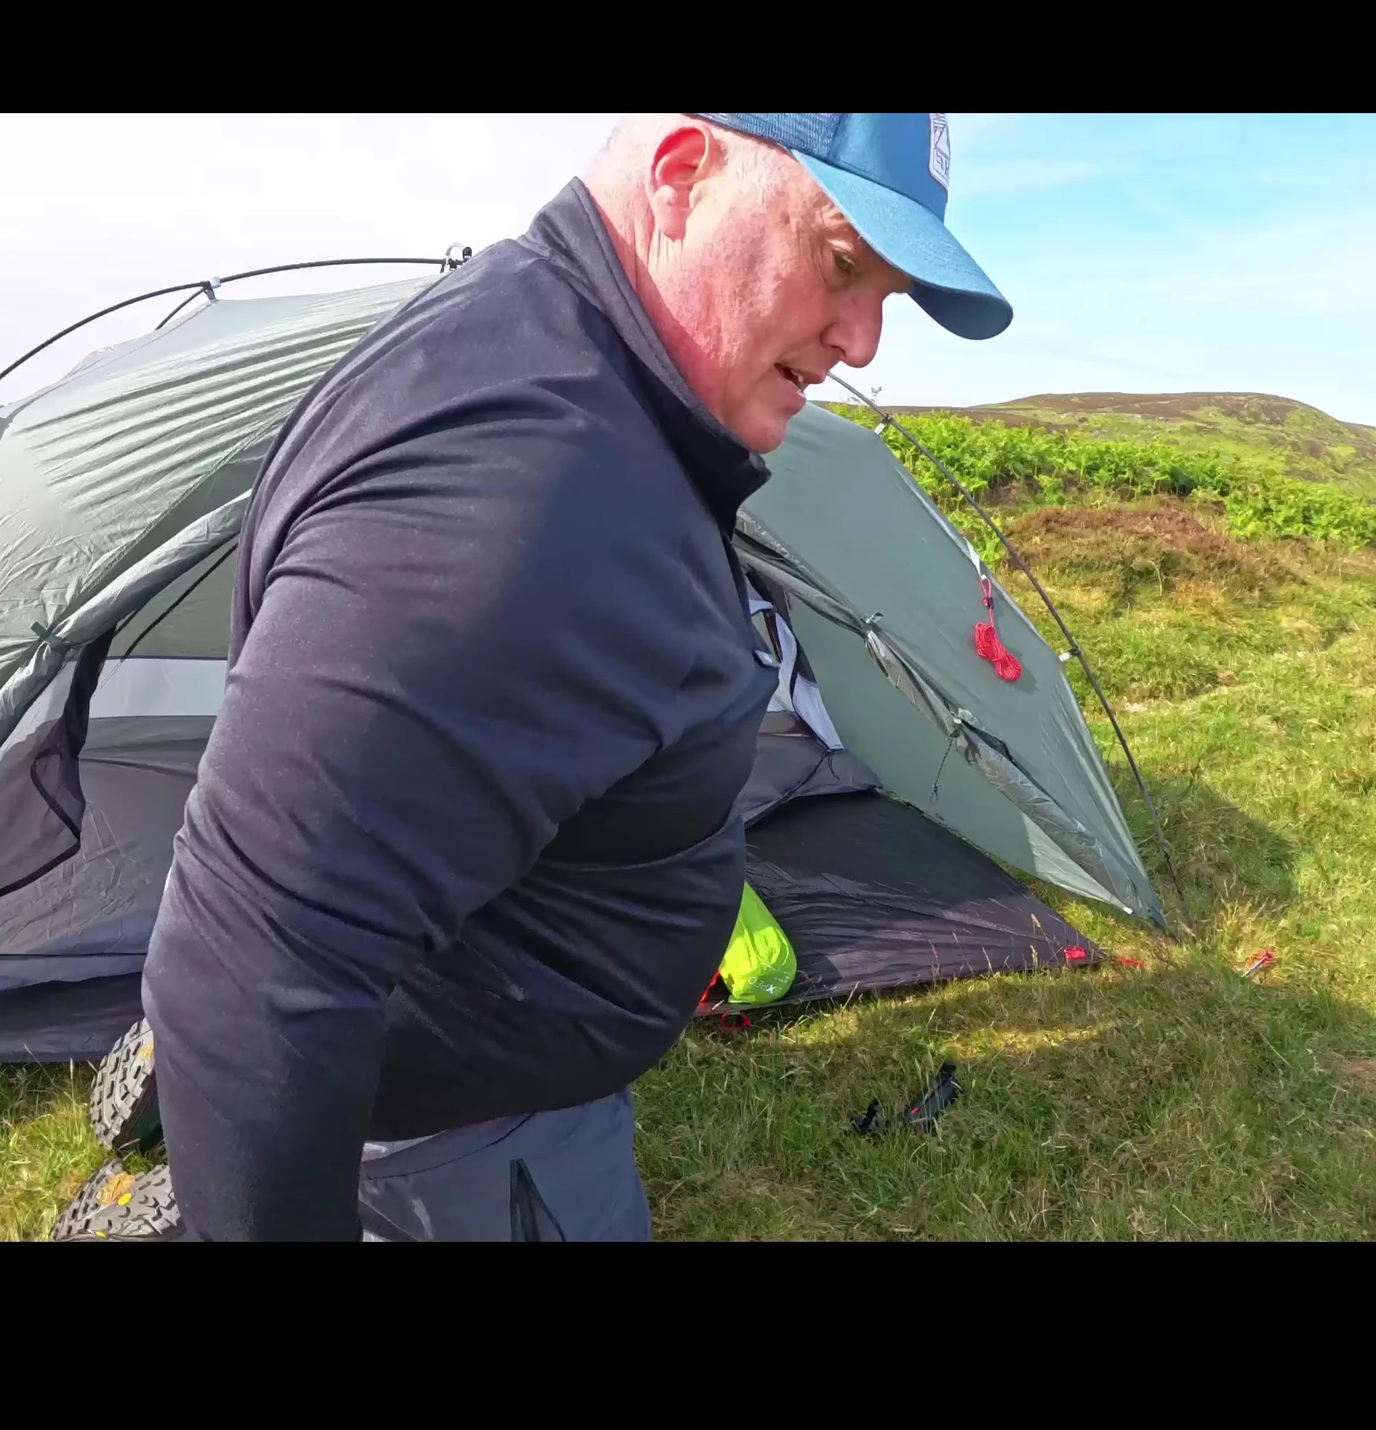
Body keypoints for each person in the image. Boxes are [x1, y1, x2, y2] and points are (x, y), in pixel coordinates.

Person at [140, 113, 1014, 1240]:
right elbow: (251, 971)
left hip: (490, 1075)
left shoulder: (547, 347)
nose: (863, 341)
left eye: (886, 295)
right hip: (468, 1155)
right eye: (842, 264)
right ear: (681, 175)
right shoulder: (527, 497)